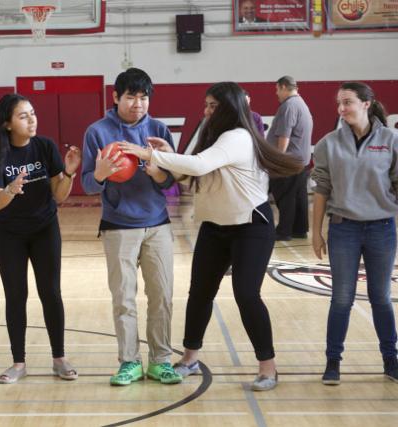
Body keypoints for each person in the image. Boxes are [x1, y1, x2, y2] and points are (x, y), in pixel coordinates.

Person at [121, 82, 303, 391]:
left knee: (247, 294)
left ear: (230, 108)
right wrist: (167, 156)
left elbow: (201, 164)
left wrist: (149, 153)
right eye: (206, 105)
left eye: (213, 106)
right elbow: (191, 172)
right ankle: (190, 358)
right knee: (200, 294)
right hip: (215, 227)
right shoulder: (215, 136)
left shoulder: (239, 137)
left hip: (250, 226)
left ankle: (268, 368)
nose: (206, 111)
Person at [81, 68, 182, 386]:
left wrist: (157, 172)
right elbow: (86, 184)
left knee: (162, 295)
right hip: (118, 227)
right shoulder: (97, 132)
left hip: (157, 225)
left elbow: (170, 183)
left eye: (143, 97)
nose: (138, 104)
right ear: (115, 97)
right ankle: (129, 362)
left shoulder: (159, 129)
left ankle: (161, 361)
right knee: (124, 299)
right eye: (131, 97)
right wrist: (100, 173)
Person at [0, 93, 81, 384]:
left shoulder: (45, 147)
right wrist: (11, 189)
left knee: (51, 292)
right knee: (16, 296)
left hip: (44, 229)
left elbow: (58, 196)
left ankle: (59, 359)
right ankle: (18, 363)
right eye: (23, 116)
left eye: (33, 113)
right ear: (8, 124)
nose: (32, 119)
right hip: (9, 233)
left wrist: (69, 173)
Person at [311, 82, 398, 386]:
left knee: (381, 298)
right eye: (339, 103)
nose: (341, 108)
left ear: (367, 103)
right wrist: (316, 232)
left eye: (347, 102)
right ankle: (333, 362)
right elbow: (321, 189)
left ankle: (391, 360)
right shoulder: (328, 144)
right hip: (343, 229)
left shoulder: (391, 140)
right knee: (341, 299)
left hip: (382, 228)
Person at [267, 75, 313, 241]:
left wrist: (278, 159)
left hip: (289, 160)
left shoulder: (289, 106)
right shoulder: (301, 104)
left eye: (277, 90)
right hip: (301, 160)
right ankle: (299, 229)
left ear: (284, 86)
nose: (276, 94)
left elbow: (284, 134)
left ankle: (284, 231)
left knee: (285, 196)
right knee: (298, 196)